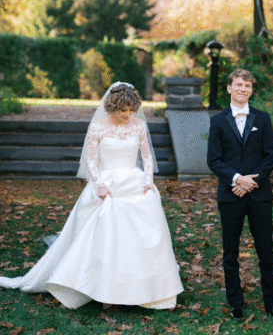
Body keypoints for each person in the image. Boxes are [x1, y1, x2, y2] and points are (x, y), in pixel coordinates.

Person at [0, 82, 182, 310]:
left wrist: (148, 181)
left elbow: (147, 157)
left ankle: (149, 291)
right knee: (108, 234)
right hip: (107, 183)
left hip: (135, 183)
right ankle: (105, 292)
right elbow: (90, 160)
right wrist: (99, 184)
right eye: (122, 111)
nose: (127, 115)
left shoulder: (138, 126)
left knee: (145, 236)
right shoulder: (98, 126)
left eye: (130, 110)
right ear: (111, 108)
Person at [206, 68, 273, 319]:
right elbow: (214, 160)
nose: (243, 89)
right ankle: (235, 302)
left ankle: (271, 301)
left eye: (247, 86)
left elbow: (271, 155)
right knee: (230, 251)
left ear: (252, 90)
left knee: (266, 251)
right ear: (229, 88)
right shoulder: (218, 121)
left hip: (259, 195)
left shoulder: (262, 118)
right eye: (238, 85)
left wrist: (251, 182)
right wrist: (238, 180)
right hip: (230, 194)